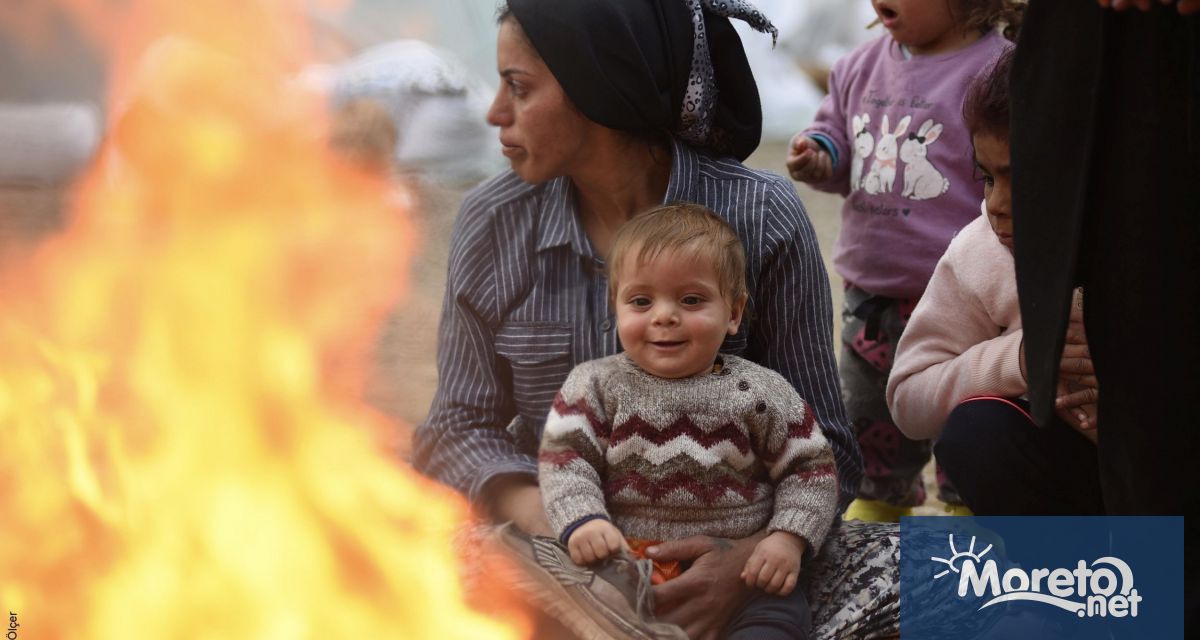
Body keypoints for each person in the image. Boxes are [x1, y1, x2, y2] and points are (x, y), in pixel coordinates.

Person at [411, 1, 899, 638]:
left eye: (519, 88)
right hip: (557, 554)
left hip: (740, 561)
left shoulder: (762, 217)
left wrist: (746, 563)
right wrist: (558, 520)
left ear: (598, 84)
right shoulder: (493, 221)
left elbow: (826, 445)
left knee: (964, 577)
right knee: (382, 561)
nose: (494, 113)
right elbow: (456, 426)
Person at [539, 204, 837, 639]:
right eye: (641, 301)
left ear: (733, 313)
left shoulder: (760, 392)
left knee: (777, 623)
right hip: (621, 567)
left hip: (744, 576)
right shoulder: (596, 385)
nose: (664, 315)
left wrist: (787, 538)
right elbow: (565, 459)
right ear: (616, 307)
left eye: (691, 300)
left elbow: (811, 469)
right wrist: (584, 520)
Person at [784, 0, 1018, 521]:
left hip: (967, 299)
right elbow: (837, 140)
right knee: (870, 423)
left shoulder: (998, 70)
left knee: (968, 416)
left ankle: (971, 524)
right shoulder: (857, 67)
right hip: (873, 298)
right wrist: (819, 155)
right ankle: (875, 519)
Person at [885, 49, 1104, 515]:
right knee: (976, 432)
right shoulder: (981, 251)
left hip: (1169, 474)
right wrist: (1023, 358)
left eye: (1020, 179)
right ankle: (1061, 579)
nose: (997, 205)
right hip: (1075, 488)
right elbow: (908, 401)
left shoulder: (1159, 245)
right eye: (986, 178)